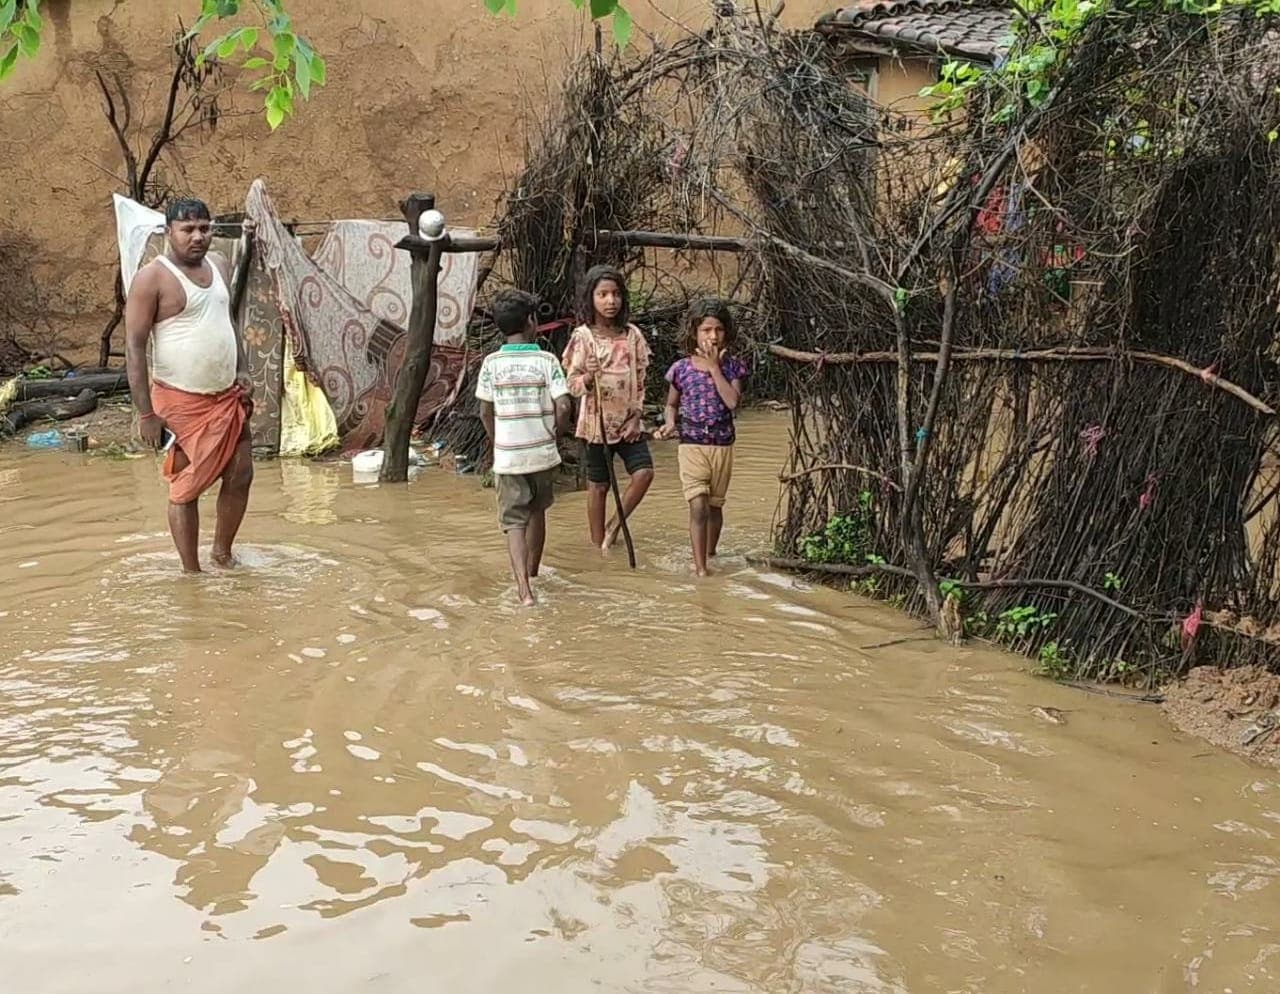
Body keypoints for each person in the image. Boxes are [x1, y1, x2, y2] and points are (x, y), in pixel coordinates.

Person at [125, 197, 254, 573]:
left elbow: (227, 322)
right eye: (188, 229)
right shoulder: (152, 278)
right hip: (180, 401)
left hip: (227, 397)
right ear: (169, 232)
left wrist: (242, 369)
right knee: (186, 488)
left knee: (241, 473)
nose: (197, 237)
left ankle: (223, 554)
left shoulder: (220, 264)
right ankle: (190, 572)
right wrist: (146, 413)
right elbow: (134, 347)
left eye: (204, 228)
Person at [476, 289, 573, 607]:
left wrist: (496, 442)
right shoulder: (546, 360)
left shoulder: (491, 363)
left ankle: (524, 591)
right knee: (537, 511)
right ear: (532, 321)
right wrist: (555, 436)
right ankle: (534, 573)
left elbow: (484, 411)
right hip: (542, 454)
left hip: (509, 457)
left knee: (514, 521)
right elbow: (563, 406)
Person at [655, 298, 749, 576]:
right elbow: (671, 404)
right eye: (706, 330)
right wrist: (670, 424)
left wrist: (714, 369)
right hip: (691, 445)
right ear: (694, 333)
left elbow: (732, 402)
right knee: (698, 505)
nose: (713, 336)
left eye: (718, 330)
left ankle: (710, 553)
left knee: (714, 506)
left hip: (722, 447)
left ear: (726, 333)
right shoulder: (681, 369)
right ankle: (701, 569)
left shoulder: (733, 368)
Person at [562, 265, 653, 551]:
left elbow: (640, 381)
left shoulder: (633, 335)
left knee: (644, 473)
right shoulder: (583, 337)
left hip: (628, 422)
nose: (610, 301)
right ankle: (596, 545)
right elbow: (572, 384)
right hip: (595, 425)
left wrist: (637, 416)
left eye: (615, 294)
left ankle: (615, 526)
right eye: (603, 294)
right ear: (591, 298)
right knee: (598, 487)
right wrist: (587, 377)